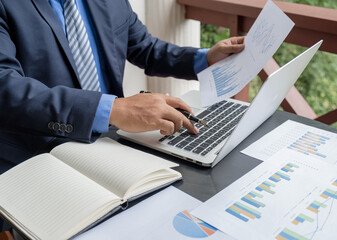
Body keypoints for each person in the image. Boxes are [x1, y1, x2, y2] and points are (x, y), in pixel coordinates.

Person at [0, 0, 245, 231]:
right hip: (36, 155)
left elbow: (145, 48)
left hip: (114, 144)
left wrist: (204, 58)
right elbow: (5, 88)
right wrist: (115, 110)